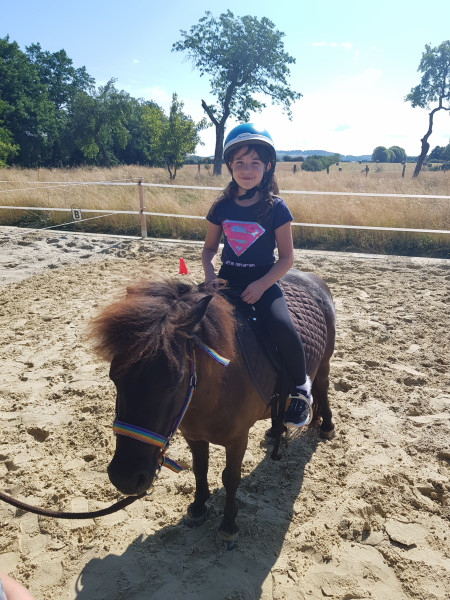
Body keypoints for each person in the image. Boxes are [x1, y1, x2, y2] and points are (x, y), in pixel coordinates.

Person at [201, 123, 313, 428]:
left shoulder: (276, 208)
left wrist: (262, 285)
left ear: (268, 166)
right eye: (239, 162)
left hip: (263, 281)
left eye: (254, 163)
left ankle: (301, 389)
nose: (246, 170)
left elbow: (287, 258)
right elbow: (209, 249)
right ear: (230, 166)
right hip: (226, 281)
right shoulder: (221, 206)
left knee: (281, 325)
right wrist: (210, 275)